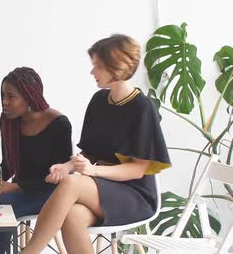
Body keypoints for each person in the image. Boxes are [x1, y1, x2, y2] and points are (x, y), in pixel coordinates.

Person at [23, 34, 171, 254]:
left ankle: (29, 252)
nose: (92, 72)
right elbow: (89, 152)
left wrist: (92, 171)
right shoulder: (99, 101)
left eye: (98, 66)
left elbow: (138, 170)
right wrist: (68, 166)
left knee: (72, 184)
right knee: (72, 216)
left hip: (133, 194)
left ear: (117, 68)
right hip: (101, 188)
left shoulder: (142, 107)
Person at [0, 67, 72, 254]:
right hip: (21, 191)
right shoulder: (9, 120)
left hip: (51, 193)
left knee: (2, 207)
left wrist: (15, 187)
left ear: (29, 97)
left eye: (11, 96)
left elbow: (61, 177)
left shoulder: (59, 124)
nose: (4, 102)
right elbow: (8, 164)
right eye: (2, 96)